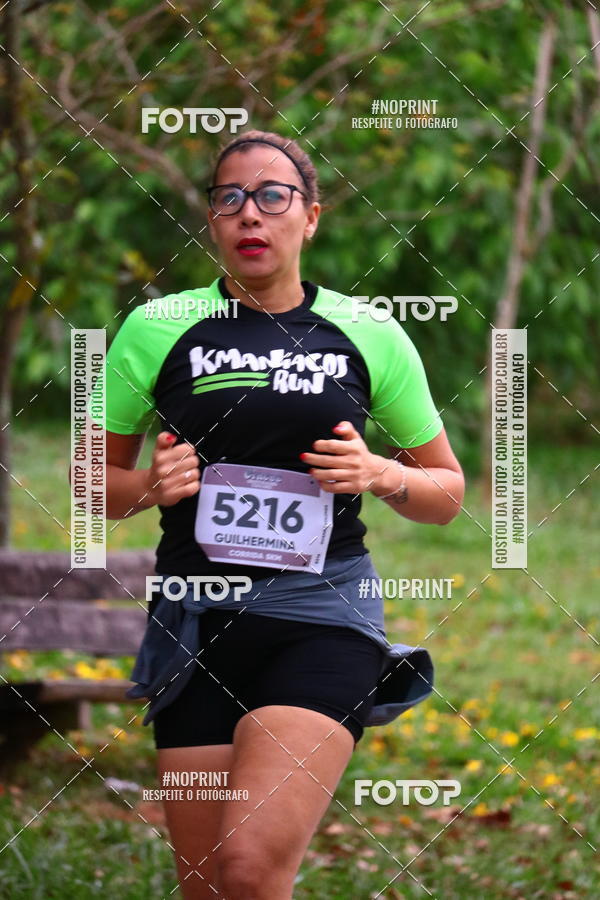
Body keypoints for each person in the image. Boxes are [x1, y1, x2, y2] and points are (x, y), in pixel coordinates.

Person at [93, 130, 465, 899]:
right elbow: (90, 484)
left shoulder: (369, 332)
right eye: (229, 199)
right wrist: (150, 487)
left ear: (312, 217)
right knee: (204, 883)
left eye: (272, 197)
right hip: (194, 622)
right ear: (212, 221)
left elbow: (447, 493)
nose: (249, 215)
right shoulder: (157, 327)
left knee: (251, 867)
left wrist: (381, 472)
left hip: (322, 615)